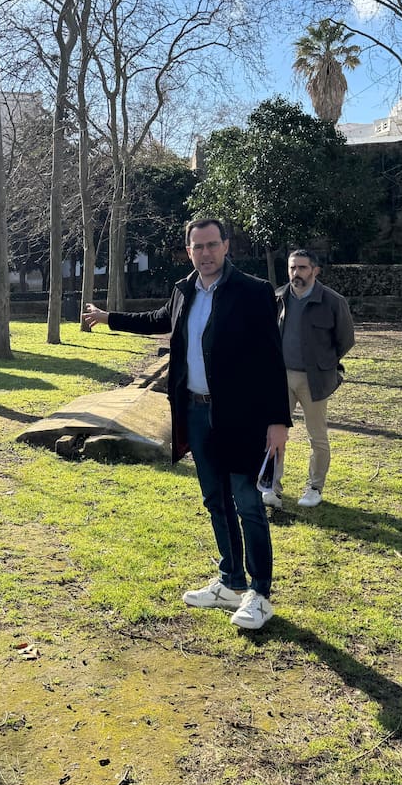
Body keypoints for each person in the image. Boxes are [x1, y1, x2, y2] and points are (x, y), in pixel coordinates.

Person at [82, 219, 290, 630]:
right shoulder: (184, 290)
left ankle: (259, 594)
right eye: (198, 246)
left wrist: (278, 421)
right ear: (188, 250)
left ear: (226, 246)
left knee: (248, 503)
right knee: (216, 500)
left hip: (242, 417)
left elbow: (271, 361)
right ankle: (230, 582)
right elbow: (159, 320)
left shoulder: (253, 292)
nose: (206, 253)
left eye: (213, 245)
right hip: (195, 412)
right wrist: (109, 318)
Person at [263, 249, 356, 510]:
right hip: (281, 378)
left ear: (315, 270)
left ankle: (314, 487)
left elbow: (345, 339)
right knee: (273, 434)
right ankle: (272, 486)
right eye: (292, 268)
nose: (296, 273)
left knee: (317, 437)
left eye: (302, 268)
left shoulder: (333, 301)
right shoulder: (278, 298)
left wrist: (324, 364)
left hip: (314, 379)